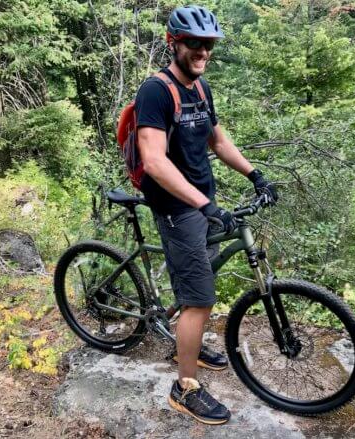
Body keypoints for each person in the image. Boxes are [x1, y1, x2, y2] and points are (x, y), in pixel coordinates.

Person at [135, 5, 278, 425]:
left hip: (200, 201)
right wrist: (203, 204)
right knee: (200, 297)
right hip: (178, 207)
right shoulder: (157, 91)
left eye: (208, 44)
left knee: (196, 276)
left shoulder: (200, 87)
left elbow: (217, 139)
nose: (202, 51)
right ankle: (184, 387)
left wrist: (255, 174)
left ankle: (185, 341)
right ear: (173, 43)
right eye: (194, 43)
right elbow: (154, 161)